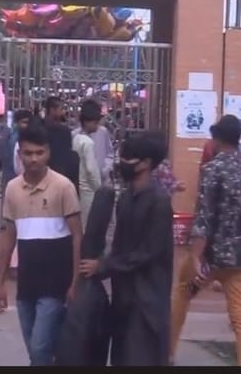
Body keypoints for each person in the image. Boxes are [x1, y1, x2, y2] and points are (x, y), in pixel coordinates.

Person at [80, 132, 172, 365]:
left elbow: (148, 252)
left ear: (146, 163)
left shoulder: (159, 202)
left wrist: (104, 266)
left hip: (147, 299)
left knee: (139, 356)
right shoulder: (126, 198)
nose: (122, 163)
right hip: (123, 295)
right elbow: (120, 245)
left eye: (128, 158)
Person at [174, 114, 241, 366]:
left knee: (181, 295)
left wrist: (195, 256)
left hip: (211, 256)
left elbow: (204, 216)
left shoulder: (212, 170)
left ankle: (167, 353)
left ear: (217, 138)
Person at [0, 125, 82, 367]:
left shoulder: (63, 187)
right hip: (26, 284)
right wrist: (0, 283)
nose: (33, 159)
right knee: (36, 350)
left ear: (48, 153)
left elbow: (77, 236)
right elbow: (8, 238)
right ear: (19, 154)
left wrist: (76, 282)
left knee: (39, 347)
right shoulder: (12, 189)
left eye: (39, 153)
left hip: (55, 285)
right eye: (28, 153)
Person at [72, 102, 102, 230]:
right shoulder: (88, 143)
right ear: (86, 122)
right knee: (88, 224)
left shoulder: (76, 138)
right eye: (95, 123)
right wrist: (98, 187)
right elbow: (90, 169)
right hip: (89, 188)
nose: (97, 126)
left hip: (78, 184)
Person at [42, 97, 79, 194]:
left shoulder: (64, 131)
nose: (64, 112)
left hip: (61, 177)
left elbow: (67, 154)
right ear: (52, 110)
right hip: (43, 175)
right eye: (61, 109)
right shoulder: (39, 130)